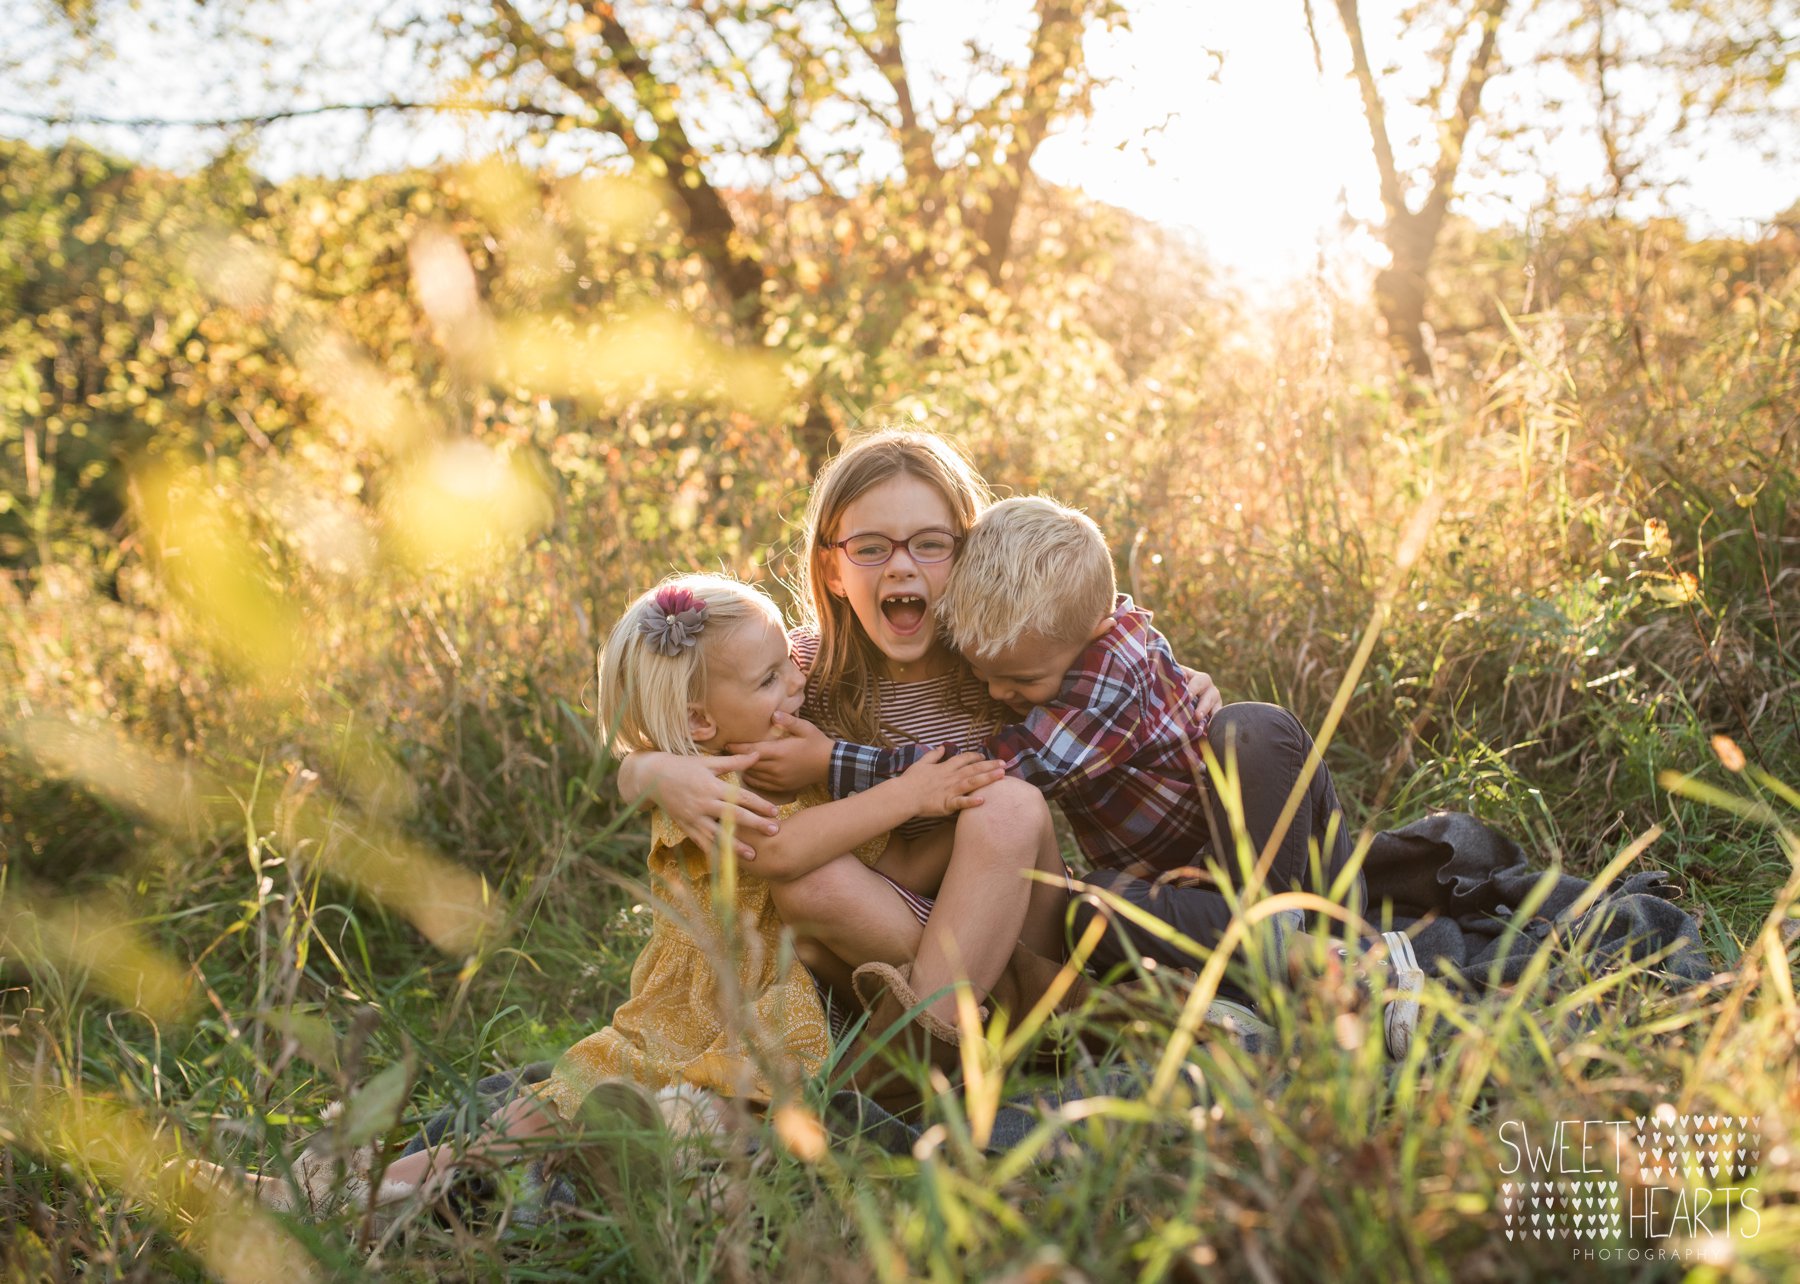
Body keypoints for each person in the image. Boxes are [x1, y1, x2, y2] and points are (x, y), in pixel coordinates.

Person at [370, 573, 1007, 1200]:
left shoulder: (787, 758)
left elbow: (896, 865)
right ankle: (381, 1189)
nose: (798, 678)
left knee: (714, 1101)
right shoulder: (704, 787)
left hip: (760, 999)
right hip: (706, 997)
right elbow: (779, 849)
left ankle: (601, 1167)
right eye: (770, 678)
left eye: (789, 659)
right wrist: (909, 792)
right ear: (700, 721)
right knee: (559, 1101)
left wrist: (976, 819)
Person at [746, 493, 1422, 1055]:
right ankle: (1261, 984)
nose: (1003, 697)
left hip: (1284, 869)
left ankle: (1331, 954)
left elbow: (1004, 762)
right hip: (1179, 902)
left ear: (1095, 630)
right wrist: (650, 770)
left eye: (1020, 682)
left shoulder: (1110, 670)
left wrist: (831, 763)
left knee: (1253, 727)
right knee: (1089, 907)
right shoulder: (1042, 620)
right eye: (988, 681)